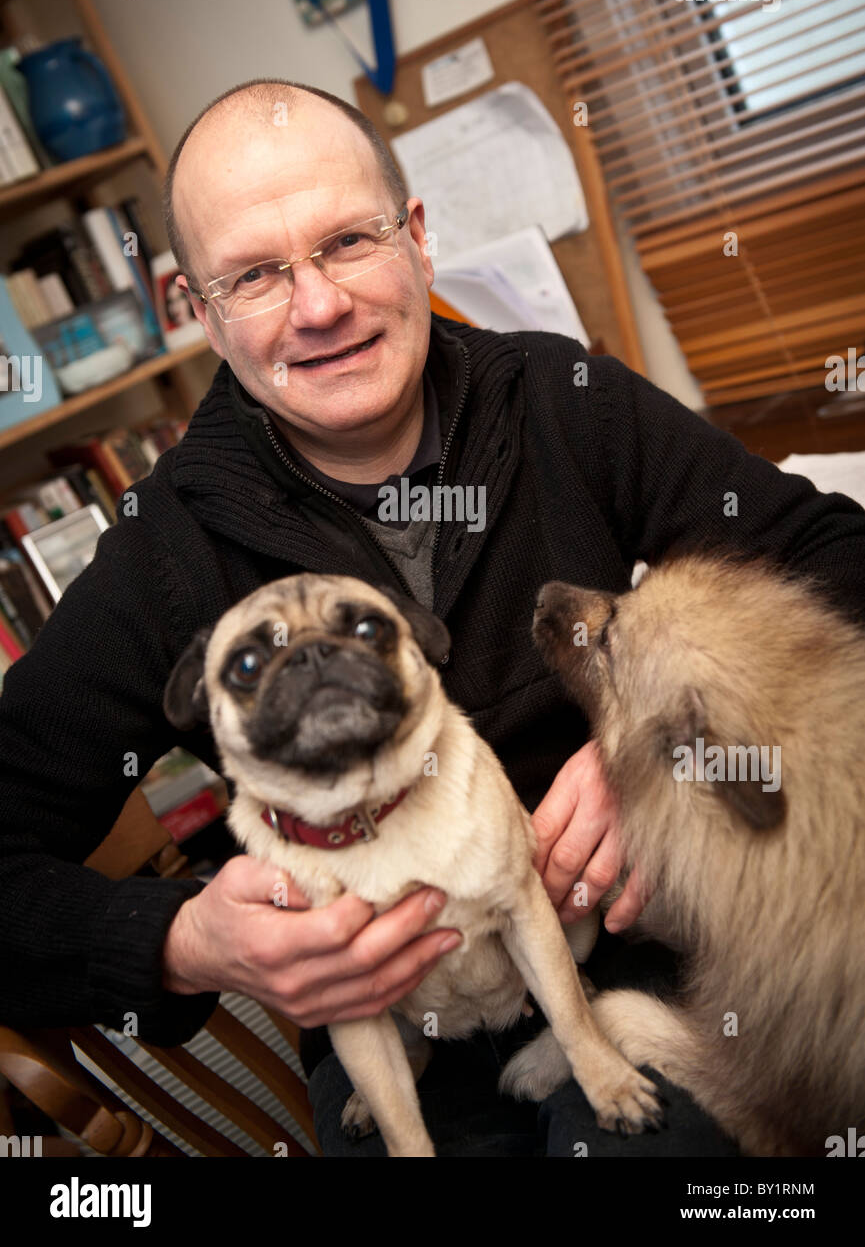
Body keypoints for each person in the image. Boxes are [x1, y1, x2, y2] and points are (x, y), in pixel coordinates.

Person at [1, 79, 863, 1158]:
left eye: (348, 241)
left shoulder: (568, 400)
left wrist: (646, 743)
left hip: (651, 944)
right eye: (257, 275)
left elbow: (837, 558)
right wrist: (178, 939)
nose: (316, 306)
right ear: (204, 314)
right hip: (396, 1022)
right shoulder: (161, 554)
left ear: (415, 237)